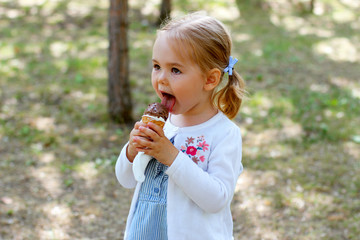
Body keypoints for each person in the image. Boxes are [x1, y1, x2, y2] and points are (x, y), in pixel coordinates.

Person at [115, 12, 245, 240]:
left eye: (175, 70)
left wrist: (171, 156)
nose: (161, 79)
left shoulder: (224, 134)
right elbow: (125, 179)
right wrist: (132, 151)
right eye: (156, 66)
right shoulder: (162, 125)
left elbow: (217, 199)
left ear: (210, 80)